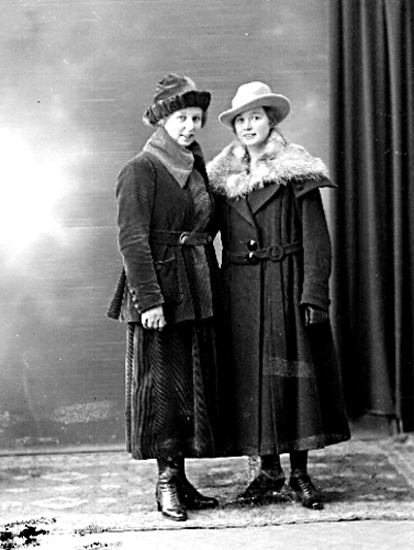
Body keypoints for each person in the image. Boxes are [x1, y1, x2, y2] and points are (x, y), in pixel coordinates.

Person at [207, 81, 350, 510]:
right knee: (252, 380)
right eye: (241, 120)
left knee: (293, 377)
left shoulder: (295, 171)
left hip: (286, 284)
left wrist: (314, 295)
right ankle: (268, 472)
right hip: (240, 292)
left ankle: (300, 473)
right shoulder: (222, 179)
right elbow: (203, 232)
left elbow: (317, 239)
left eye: (256, 117)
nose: (248, 126)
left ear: (271, 121)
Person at [107, 74, 223, 522]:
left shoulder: (195, 166)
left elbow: (206, 224)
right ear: (161, 121)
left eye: (196, 118)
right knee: (161, 391)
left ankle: (182, 478)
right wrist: (150, 300)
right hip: (160, 291)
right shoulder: (141, 168)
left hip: (196, 286)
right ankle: (166, 483)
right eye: (181, 118)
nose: (190, 126)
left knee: (188, 386)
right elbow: (132, 240)